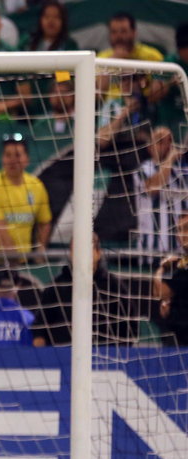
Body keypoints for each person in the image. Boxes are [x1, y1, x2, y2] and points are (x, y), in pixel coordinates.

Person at [33, 233, 138, 346]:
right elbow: (40, 324)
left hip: (106, 356)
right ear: (70, 254)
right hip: (63, 355)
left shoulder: (114, 286)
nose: (81, 255)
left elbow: (130, 327)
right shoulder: (56, 286)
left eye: (86, 249)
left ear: (98, 253)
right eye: (76, 249)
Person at [0, 134, 52, 262]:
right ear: (2, 158)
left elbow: (45, 222)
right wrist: (13, 259)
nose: (12, 160)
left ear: (27, 159)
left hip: (20, 261)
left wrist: (40, 249)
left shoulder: (36, 186)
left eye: (18, 155)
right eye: (8, 155)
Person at [134, 126, 188, 265]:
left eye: (169, 140)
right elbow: (153, 187)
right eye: (160, 141)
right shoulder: (144, 170)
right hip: (151, 252)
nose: (166, 145)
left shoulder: (183, 173)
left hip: (179, 254)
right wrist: (170, 160)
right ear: (150, 147)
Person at [153, 213, 188, 346]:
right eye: (179, 229)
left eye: (186, 228)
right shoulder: (182, 262)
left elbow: (160, 293)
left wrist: (161, 269)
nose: (182, 234)